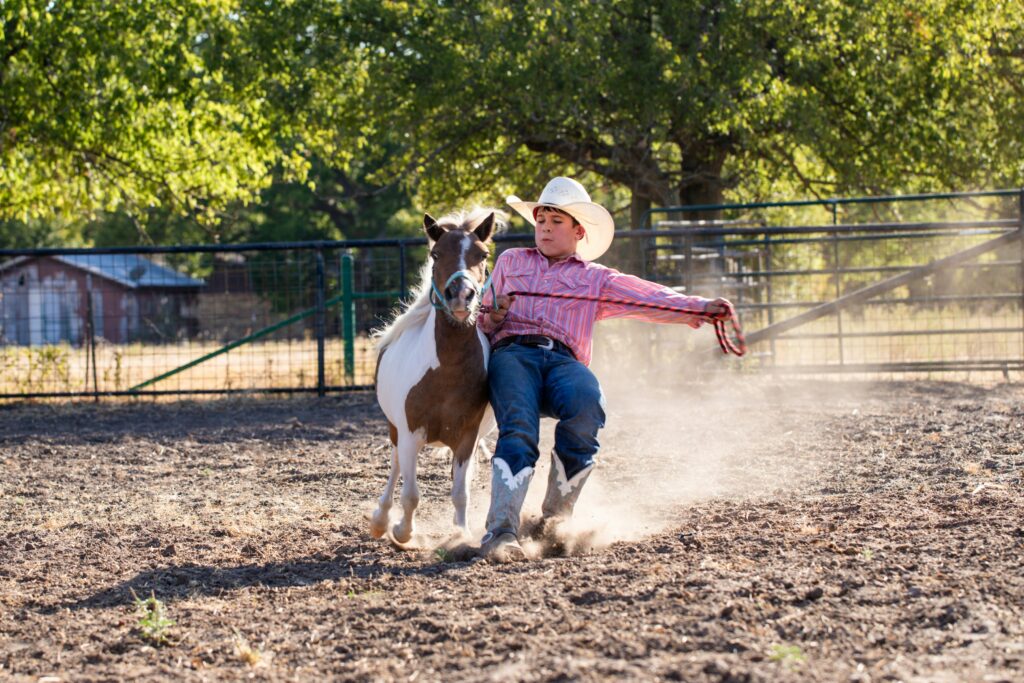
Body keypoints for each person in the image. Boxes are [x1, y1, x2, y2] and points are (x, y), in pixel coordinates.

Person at [477, 176, 734, 562]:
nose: (545, 228)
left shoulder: (594, 279)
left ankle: (553, 520)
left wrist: (699, 308)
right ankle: (501, 532)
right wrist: (494, 314)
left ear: (579, 231)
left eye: (555, 222)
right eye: (540, 220)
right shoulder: (511, 262)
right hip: (514, 353)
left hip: (564, 359)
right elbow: (481, 319)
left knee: (588, 403)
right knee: (519, 426)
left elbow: (647, 296)